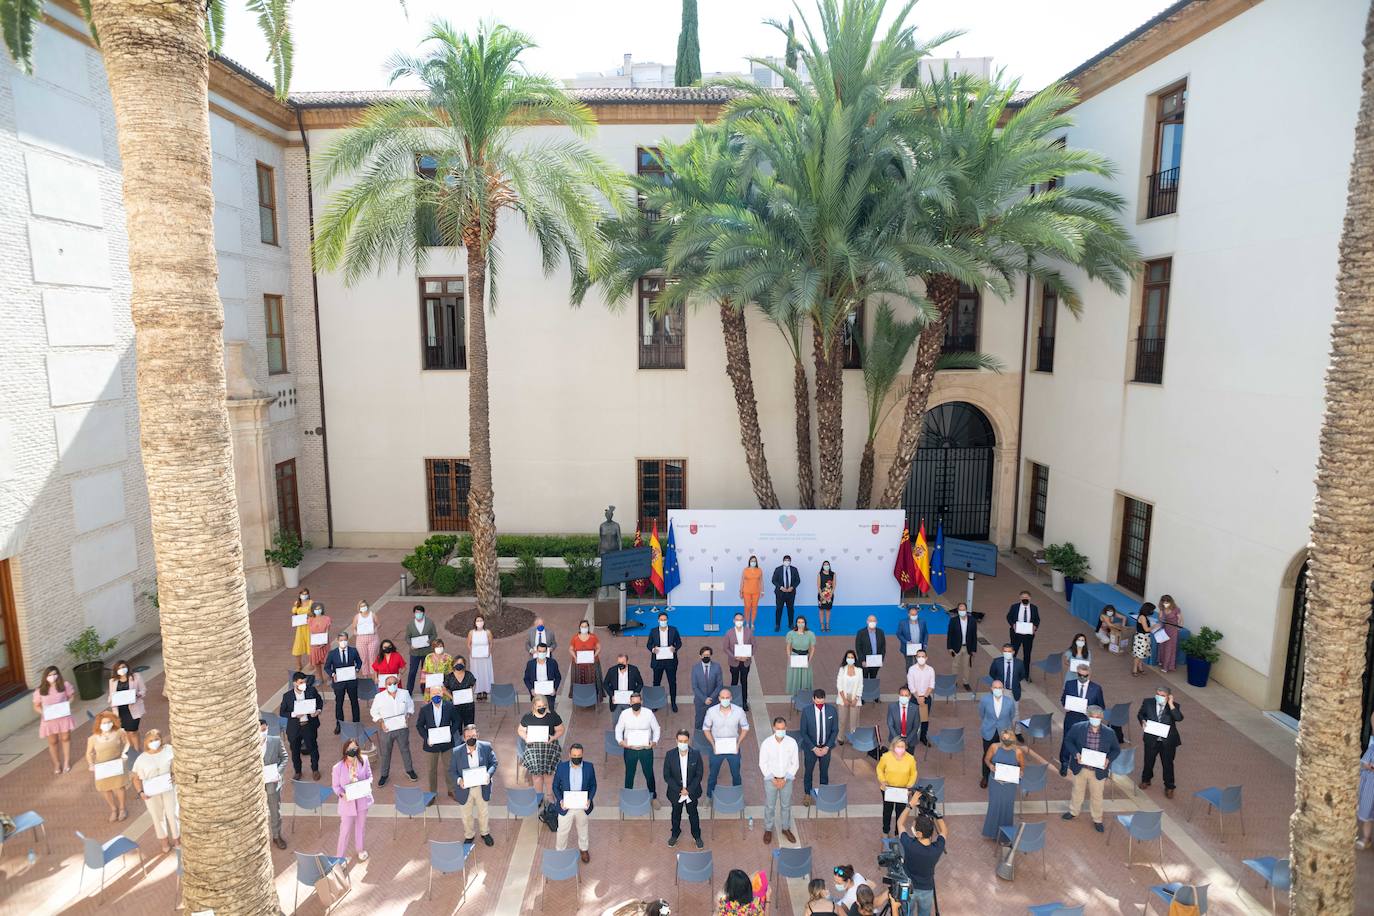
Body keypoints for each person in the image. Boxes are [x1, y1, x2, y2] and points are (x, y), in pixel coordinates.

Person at [1061, 706, 1120, 832]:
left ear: (1102, 717)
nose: (1095, 719)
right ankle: (1073, 811)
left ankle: (1097, 819)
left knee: (1097, 796)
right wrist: (1076, 753)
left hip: (1098, 771)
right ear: (1088, 716)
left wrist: (1108, 759)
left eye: (1098, 717)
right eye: (1093, 716)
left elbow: (1116, 749)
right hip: (1080, 767)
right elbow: (1068, 741)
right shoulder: (1078, 728)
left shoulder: (1109, 733)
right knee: (1077, 791)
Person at [982, 729, 1048, 840]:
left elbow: (1022, 766)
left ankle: (1004, 835)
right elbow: (987, 759)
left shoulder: (1018, 752)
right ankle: (992, 832)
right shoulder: (994, 747)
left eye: (1008, 739)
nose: (1006, 741)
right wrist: (990, 766)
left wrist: (1020, 772)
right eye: (1004, 739)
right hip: (995, 782)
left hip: (1009, 784)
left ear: (1013, 739)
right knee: (994, 806)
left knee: (1007, 807)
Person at [449, 722, 497, 846]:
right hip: (465, 789)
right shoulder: (456, 752)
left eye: (474, 735)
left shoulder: (486, 747)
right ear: (464, 738)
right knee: (466, 815)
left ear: (478, 735)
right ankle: (469, 835)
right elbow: (452, 771)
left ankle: (485, 833)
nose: (472, 738)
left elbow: (494, 763)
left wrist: (488, 774)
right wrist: (459, 781)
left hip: (482, 787)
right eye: (469, 736)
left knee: (483, 812)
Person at [131, 728, 179, 851]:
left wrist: (175, 775)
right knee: (157, 817)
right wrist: (140, 792)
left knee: (172, 814)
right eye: (151, 740)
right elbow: (136, 778)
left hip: (169, 788)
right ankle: (164, 843)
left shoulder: (169, 750)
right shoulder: (141, 759)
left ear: (161, 739)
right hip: (151, 793)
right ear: (146, 743)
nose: (154, 742)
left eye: (156, 739)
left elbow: (179, 764)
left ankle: (177, 840)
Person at [369, 673, 418, 786]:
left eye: (395, 683)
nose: (392, 685)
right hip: (386, 729)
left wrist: (408, 716)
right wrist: (380, 721)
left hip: (402, 728)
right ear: (385, 685)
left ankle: (409, 770)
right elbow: (373, 712)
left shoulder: (405, 693)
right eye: (389, 684)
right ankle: (384, 775)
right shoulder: (379, 697)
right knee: (385, 753)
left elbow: (411, 706)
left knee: (405, 750)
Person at [896, 810, 947, 916]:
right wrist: (937, 815)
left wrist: (910, 805)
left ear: (919, 834)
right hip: (927, 889)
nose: (912, 829)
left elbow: (900, 823)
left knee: (906, 912)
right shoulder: (937, 849)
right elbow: (944, 831)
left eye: (913, 828)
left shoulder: (909, 845)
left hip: (907, 887)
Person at [552, 743, 596, 863]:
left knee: (583, 828)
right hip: (566, 806)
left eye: (579, 755)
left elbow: (593, 785)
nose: (577, 757)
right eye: (574, 755)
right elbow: (555, 786)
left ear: (582, 755)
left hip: (582, 805)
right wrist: (560, 800)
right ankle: (560, 852)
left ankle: (584, 849)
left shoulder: (589, 767)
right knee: (562, 831)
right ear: (569, 755)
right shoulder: (561, 767)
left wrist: (589, 799)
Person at [1058, 665, 1105, 775]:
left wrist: (1091, 712)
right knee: (1067, 741)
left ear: (1090, 675)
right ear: (1077, 674)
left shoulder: (1096, 688)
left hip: (1086, 720)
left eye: (1085, 676)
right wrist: (1066, 705)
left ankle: (1079, 764)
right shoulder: (1070, 684)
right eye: (1080, 675)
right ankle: (1064, 763)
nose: (1082, 677)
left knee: (1084, 742)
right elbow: (1063, 699)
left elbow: (1101, 706)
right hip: (1071, 718)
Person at [1137, 686, 1184, 797]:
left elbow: (1179, 718)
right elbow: (1140, 714)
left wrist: (1171, 704)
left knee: (1168, 764)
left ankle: (1169, 786)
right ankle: (1146, 779)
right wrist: (1142, 721)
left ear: (1168, 696)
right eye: (1158, 694)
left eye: (1162, 695)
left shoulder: (1174, 706)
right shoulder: (1148, 702)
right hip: (1151, 738)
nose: (1159, 697)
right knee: (1148, 761)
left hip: (1167, 741)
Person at [759, 716, 799, 844]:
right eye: (778, 728)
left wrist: (785, 779)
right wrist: (773, 779)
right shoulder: (767, 743)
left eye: (783, 728)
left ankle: (785, 828)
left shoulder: (792, 743)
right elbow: (762, 763)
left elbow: (795, 764)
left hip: (786, 780)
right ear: (774, 728)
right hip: (771, 780)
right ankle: (768, 829)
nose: (780, 730)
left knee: (786, 806)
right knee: (770, 806)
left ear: (786, 728)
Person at [703, 687, 749, 797]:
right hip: (717, 746)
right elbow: (706, 729)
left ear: (731, 698)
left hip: (733, 747)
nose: (725, 699)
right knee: (713, 774)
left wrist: (738, 744)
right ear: (719, 698)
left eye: (727, 697)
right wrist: (713, 744)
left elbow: (745, 728)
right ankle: (709, 796)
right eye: (723, 697)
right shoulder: (711, 711)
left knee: (736, 774)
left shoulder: (739, 711)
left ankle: (737, 796)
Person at [615, 690, 661, 801]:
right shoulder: (624, 714)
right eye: (633, 702)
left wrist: (654, 742)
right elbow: (618, 729)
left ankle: (653, 797)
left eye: (638, 702)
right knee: (629, 774)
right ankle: (628, 797)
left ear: (641, 701)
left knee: (649, 773)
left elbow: (656, 728)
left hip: (646, 750)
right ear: (630, 703)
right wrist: (621, 742)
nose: (636, 704)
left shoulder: (648, 713)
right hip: (630, 750)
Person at [332, 738, 372, 861]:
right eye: (350, 749)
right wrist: (343, 795)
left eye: (354, 748)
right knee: (344, 831)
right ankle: (340, 857)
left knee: (360, 828)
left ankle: (360, 850)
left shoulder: (364, 760)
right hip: (347, 804)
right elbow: (336, 787)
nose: (352, 751)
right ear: (345, 751)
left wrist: (365, 784)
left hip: (361, 801)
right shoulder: (337, 767)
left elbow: (370, 776)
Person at [664, 728, 704, 848]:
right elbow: (667, 776)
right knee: (676, 814)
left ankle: (696, 835)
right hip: (676, 793)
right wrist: (679, 790)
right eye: (680, 741)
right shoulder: (670, 755)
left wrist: (688, 790)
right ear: (676, 741)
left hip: (692, 792)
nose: (683, 743)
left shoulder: (696, 754)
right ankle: (675, 834)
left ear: (689, 741)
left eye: (685, 741)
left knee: (693, 814)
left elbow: (699, 774)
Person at [87, 709, 130, 821]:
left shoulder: (119, 732)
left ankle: (122, 809)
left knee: (120, 787)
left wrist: (124, 754)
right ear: (99, 724)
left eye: (109, 722)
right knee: (106, 789)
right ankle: (113, 809)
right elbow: (89, 753)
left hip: (116, 763)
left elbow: (127, 743)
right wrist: (91, 764)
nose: (107, 725)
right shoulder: (92, 738)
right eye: (104, 723)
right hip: (102, 766)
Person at [279, 671, 322, 780]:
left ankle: (315, 769)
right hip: (295, 728)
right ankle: (297, 771)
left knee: (313, 748)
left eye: (304, 682)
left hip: (309, 725)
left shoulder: (311, 691)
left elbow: (319, 701)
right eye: (301, 682)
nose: (303, 684)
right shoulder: (287, 696)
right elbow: (282, 712)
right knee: (295, 751)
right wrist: (293, 714)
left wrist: (318, 710)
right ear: (294, 683)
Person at [519, 698, 565, 800]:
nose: (542, 708)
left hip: (549, 748)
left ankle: (549, 795)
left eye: (544, 706)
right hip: (534, 750)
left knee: (549, 774)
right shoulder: (527, 717)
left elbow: (561, 729)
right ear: (534, 706)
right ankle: (539, 796)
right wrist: (526, 738)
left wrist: (553, 737)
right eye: (539, 706)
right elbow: (520, 730)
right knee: (536, 775)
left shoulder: (553, 716)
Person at [416, 691, 458, 800]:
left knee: (449, 768)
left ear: (442, 694)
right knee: (431, 770)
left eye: (438, 693)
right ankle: (432, 793)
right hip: (431, 745)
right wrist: (427, 738)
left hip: (447, 744)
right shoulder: (424, 709)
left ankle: (452, 790)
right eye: (433, 693)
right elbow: (419, 726)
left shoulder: (449, 707)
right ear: (430, 696)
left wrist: (450, 733)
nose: (436, 695)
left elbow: (457, 721)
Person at [977, 680, 1019, 788]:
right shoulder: (985, 700)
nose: (998, 690)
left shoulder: (1009, 702)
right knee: (987, 754)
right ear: (991, 689)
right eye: (995, 688)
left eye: (1000, 688)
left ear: (1003, 689)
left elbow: (1011, 715)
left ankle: (1001, 776)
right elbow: (982, 714)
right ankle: (985, 777)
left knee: (1003, 754)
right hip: (988, 731)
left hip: (1004, 732)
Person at [34, 666, 75, 773]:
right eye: (50, 675)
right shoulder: (40, 690)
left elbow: (71, 696)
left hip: (63, 716)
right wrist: (44, 712)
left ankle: (66, 761)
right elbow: (36, 705)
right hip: (49, 720)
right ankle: (57, 763)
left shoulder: (64, 685)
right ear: (45, 677)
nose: (53, 677)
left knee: (65, 738)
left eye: (54, 674)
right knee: (53, 741)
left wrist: (67, 704)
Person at [800, 688, 839, 801]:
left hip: (826, 748)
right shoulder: (806, 711)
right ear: (813, 699)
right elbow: (803, 731)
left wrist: (827, 747)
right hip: (810, 748)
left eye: (822, 701)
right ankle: (807, 793)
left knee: (824, 771)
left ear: (824, 699)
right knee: (808, 772)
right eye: (817, 701)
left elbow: (835, 730)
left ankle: (824, 793)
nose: (820, 704)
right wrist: (813, 748)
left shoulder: (832, 711)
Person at [876, 738, 917, 836]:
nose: (900, 749)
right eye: (898, 746)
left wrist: (910, 786)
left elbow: (913, 773)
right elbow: (879, 769)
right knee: (887, 811)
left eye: (902, 747)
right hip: (888, 789)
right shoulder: (886, 757)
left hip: (903, 790)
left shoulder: (910, 758)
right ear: (893, 747)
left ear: (906, 747)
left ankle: (898, 833)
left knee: (900, 813)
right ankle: (885, 831)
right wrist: (883, 780)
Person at [325, 631, 363, 734]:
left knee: (354, 702)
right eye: (341, 640)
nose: (343, 642)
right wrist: (333, 674)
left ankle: (356, 722)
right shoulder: (332, 653)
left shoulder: (353, 651)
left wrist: (357, 669)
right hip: (339, 683)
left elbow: (359, 662)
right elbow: (327, 667)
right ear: (338, 641)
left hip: (351, 681)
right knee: (339, 704)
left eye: (345, 640)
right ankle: (339, 724)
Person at [260, 717, 289, 849]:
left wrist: (278, 772)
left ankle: (276, 836)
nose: (262, 732)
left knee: (274, 810)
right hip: (256, 785)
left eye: (264, 729)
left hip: (272, 782)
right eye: (260, 730)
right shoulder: (248, 745)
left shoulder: (275, 741)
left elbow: (285, 757)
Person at [646, 611, 683, 712]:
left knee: (672, 682)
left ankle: (673, 703)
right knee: (656, 682)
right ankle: (655, 703)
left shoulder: (673, 630)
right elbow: (649, 644)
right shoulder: (653, 631)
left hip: (670, 661)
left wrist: (674, 648)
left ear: (667, 620)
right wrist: (653, 649)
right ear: (658, 621)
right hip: (658, 661)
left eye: (665, 620)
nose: (663, 621)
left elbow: (679, 643)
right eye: (661, 620)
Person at [107, 659, 147, 751]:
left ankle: (137, 750)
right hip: (121, 710)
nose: (122, 669)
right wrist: (112, 699)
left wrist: (136, 695)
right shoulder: (112, 681)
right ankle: (132, 749)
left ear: (127, 667)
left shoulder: (136, 677)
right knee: (126, 732)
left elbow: (143, 690)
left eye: (123, 667)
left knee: (133, 731)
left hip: (134, 708)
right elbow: (111, 695)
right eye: (119, 668)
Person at [724, 612, 755, 711]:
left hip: (745, 662)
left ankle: (744, 702)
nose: (739, 622)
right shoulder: (729, 633)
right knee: (734, 681)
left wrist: (748, 655)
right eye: (737, 620)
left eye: (741, 620)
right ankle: (733, 701)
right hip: (734, 662)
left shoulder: (749, 632)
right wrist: (734, 657)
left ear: (743, 621)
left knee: (744, 681)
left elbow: (754, 645)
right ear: (734, 621)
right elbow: (726, 648)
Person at [405, 605, 438, 694]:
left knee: (426, 672)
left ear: (423, 613)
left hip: (427, 652)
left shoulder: (430, 623)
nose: (418, 614)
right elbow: (407, 637)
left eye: (420, 612)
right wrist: (410, 644)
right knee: (412, 672)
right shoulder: (410, 625)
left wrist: (429, 641)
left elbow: (434, 635)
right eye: (416, 612)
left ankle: (424, 690)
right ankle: (409, 690)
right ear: (414, 613)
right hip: (414, 652)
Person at [904, 649, 935, 746]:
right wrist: (917, 697)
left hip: (926, 698)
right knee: (912, 719)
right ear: (916, 658)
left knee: (924, 719)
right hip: (914, 698)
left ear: (926, 658)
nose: (921, 658)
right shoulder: (912, 669)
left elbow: (931, 685)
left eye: (923, 656)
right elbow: (911, 685)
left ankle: (923, 737)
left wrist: (924, 697)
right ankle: (910, 738)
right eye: (919, 656)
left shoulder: (930, 669)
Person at [1006, 591, 1040, 674]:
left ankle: (1026, 673)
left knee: (1027, 654)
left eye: (1027, 597)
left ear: (1030, 598)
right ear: (1020, 598)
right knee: (1013, 652)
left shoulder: (1034, 608)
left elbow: (1037, 619)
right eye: (1023, 597)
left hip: (1028, 635)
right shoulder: (1014, 607)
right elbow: (1009, 617)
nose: (1025, 599)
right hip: (1016, 634)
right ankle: (1010, 670)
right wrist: (1012, 624)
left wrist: (1035, 627)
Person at [946, 603, 977, 691]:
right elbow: (950, 635)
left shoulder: (972, 620)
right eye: (960, 609)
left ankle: (966, 682)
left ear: (966, 610)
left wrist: (974, 649)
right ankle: (954, 682)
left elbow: (974, 635)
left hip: (968, 647)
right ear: (958, 610)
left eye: (963, 609)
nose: (962, 611)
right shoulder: (953, 620)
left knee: (966, 666)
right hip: (956, 647)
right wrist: (949, 647)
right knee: (955, 665)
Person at [691, 646, 724, 730]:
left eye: (708, 655)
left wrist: (711, 698)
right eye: (704, 655)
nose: (706, 657)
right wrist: (704, 699)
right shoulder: (695, 668)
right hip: (700, 702)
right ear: (700, 656)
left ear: (711, 656)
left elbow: (719, 685)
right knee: (699, 722)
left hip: (714, 701)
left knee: (715, 722)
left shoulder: (717, 667)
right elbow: (695, 687)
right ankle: (698, 740)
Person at [569, 619, 603, 699]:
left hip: (592, 664)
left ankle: (594, 696)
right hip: (578, 665)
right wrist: (575, 657)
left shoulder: (593, 637)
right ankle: (580, 697)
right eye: (582, 626)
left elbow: (599, 648)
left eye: (586, 626)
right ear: (579, 627)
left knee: (594, 680)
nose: (584, 628)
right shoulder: (575, 638)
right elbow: (570, 649)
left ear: (588, 627)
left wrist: (594, 655)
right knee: (578, 681)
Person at [855, 615, 887, 698]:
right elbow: (858, 648)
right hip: (864, 662)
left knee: (873, 678)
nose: (872, 622)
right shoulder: (861, 633)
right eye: (870, 620)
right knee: (864, 679)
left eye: (874, 621)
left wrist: (881, 659)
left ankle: (874, 696)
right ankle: (863, 697)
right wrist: (862, 660)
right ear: (867, 621)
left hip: (876, 661)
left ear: (876, 622)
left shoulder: (880, 632)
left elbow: (883, 647)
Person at [524, 644, 564, 710]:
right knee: (537, 713)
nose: (541, 653)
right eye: (540, 651)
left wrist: (555, 689)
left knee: (550, 712)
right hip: (536, 693)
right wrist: (531, 689)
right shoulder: (530, 664)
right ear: (536, 651)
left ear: (546, 652)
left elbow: (558, 677)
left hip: (549, 693)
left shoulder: (553, 663)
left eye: (543, 651)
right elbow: (526, 679)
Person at [445, 655, 479, 731]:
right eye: (457, 663)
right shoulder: (449, 677)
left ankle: (469, 741)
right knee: (457, 727)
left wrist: (471, 693)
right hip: (455, 705)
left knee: (469, 726)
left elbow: (474, 684)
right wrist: (452, 698)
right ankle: (458, 742)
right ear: (453, 664)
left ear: (464, 665)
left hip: (468, 705)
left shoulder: (468, 674)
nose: (459, 664)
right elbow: (444, 689)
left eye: (461, 663)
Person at [836, 651, 863, 744]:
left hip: (855, 697)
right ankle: (840, 737)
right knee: (842, 720)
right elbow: (839, 685)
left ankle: (853, 738)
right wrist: (844, 699)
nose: (850, 659)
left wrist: (856, 699)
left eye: (852, 657)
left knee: (854, 721)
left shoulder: (859, 671)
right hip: (843, 697)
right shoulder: (842, 669)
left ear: (855, 659)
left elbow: (860, 685)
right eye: (848, 657)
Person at [785, 616, 817, 695]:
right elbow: (788, 647)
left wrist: (809, 659)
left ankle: (804, 694)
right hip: (794, 656)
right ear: (796, 623)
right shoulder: (791, 634)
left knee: (804, 677)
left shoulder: (810, 634)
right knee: (794, 676)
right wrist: (790, 658)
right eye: (799, 622)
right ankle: (795, 694)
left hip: (805, 657)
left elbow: (812, 648)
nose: (800, 624)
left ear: (805, 623)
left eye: (802, 622)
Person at [467, 614, 494, 700]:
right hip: (475, 657)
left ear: (484, 622)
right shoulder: (471, 632)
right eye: (477, 621)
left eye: (481, 620)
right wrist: (471, 652)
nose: (479, 622)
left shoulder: (487, 632)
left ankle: (485, 691)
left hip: (485, 656)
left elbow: (491, 643)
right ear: (475, 622)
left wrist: (489, 652)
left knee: (485, 672)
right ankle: (478, 691)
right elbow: (468, 644)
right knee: (476, 673)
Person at [351, 600, 380, 678]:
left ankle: (374, 675)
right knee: (363, 657)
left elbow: (378, 624)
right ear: (359, 608)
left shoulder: (372, 615)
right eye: (361, 606)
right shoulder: (357, 616)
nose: (363, 607)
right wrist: (355, 632)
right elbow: (353, 627)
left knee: (372, 657)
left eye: (364, 606)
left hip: (372, 638)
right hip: (361, 639)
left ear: (367, 606)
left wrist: (376, 629)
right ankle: (365, 675)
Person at [772, 555, 801, 631]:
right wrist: (781, 587)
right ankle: (777, 625)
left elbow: (798, 580)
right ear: (783, 561)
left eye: (788, 560)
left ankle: (791, 624)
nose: (787, 561)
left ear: (790, 561)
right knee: (779, 609)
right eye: (785, 560)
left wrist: (792, 587)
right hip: (780, 593)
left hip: (791, 593)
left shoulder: (794, 569)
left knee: (790, 609)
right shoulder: (778, 569)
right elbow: (774, 580)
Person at [306, 601, 332, 685]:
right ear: (313, 610)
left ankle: (329, 677)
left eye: (319, 609)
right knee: (317, 663)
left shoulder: (327, 619)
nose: (318, 610)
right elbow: (310, 632)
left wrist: (324, 642)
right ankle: (320, 678)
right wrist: (312, 643)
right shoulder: (310, 620)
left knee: (327, 662)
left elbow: (327, 631)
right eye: (316, 609)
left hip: (324, 643)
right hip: (314, 644)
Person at [1156, 595, 1184, 672]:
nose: (1165, 604)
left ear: (1171, 602)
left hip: (1173, 630)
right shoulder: (1162, 609)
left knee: (1169, 647)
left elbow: (1181, 619)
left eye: (1167, 602)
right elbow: (1160, 619)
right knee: (1162, 646)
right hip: (1165, 629)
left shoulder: (1176, 609)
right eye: (1164, 602)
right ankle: (1162, 662)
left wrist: (1178, 628)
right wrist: (1161, 611)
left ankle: (1167, 666)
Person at [1359, 711, 1374, 850]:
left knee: (1368, 813)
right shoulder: (1372, 746)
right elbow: (1364, 762)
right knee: (1367, 815)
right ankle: (1366, 838)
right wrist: (1366, 765)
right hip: (1369, 784)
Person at [897, 606, 929, 670]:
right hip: (908, 647)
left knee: (920, 664)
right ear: (908, 614)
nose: (914, 616)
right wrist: (906, 641)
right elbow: (899, 634)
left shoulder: (922, 622)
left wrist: (925, 644)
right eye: (912, 614)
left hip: (919, 647)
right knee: (909, 665)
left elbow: (926, 633)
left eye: (916, 614)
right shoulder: (902, 623)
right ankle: (910, 678)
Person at [290, 588, 313, 671]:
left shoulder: (311, 603)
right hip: (300, 627)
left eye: (306, 594)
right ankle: (298, 664)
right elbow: (294, 612)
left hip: (308, 626)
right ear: (300, 595)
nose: (304, 595)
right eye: (303, 594)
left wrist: (309, 615)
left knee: (310, 645)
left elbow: (313, 613)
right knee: (298, 646)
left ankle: (311, 663)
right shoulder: (297, 603)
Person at [1132, 602, 1157, 676]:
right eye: (1152, 610)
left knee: (1142, 654)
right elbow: (1146, 629)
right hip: (1141, 638)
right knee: (1139, 655)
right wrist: (1155, 626)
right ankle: (1135, 669)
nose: (1152, 612)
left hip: (1145, 638)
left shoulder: (1144, 616)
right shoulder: (1142, 617)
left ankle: (1140, 667)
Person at [740, 556, 764, 629]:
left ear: (756, 562)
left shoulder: (759, 570)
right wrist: (741, 591)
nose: (753, 562)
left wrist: (762, 591)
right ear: (749, 562)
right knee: (747, 607)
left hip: (756, 592)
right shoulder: (745, 570)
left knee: (754, 607)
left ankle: (752, 623)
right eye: (751, 561)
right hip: (746, 592)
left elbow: (761, 581)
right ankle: (747, 622)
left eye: (754, 561)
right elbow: (742, 581)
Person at [817, 561, 836, 632]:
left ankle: (827, 624)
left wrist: (830, 595)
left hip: (830, 595)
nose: (826, 566)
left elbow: (834, 586)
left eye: (827, 564)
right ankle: (822, 624)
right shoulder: (820, 574)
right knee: (821, 610)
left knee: (828, 610)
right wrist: (822, 596)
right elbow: (818, 586)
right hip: (821, 595)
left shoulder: (833, 574)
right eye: (824, 565)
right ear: (822, 566)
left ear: (829, 566)